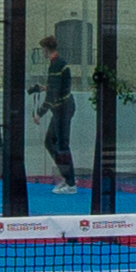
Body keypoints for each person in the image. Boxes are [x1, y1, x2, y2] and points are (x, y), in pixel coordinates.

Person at [38, 42, 80, 182]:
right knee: (52, 142)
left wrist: (40, 112)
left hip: (62, 108)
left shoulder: (56, 65)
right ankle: (68, 177)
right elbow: (58, 86)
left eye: (42, 49)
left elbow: (54, 93)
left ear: (46, 49)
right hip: (63, 107)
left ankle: (70, 181)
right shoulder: (58, 63)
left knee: (61, 144)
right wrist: (47, 88)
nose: (42, 52)